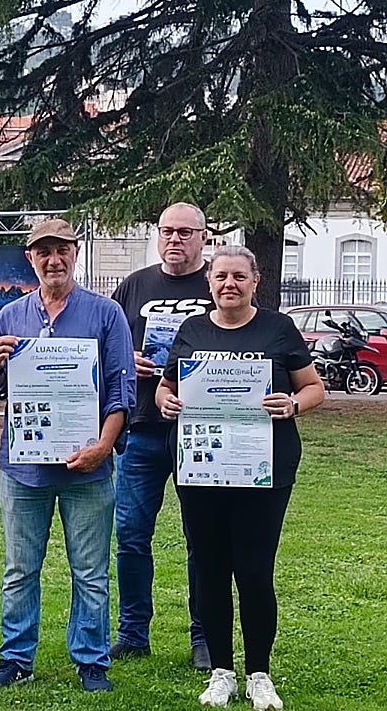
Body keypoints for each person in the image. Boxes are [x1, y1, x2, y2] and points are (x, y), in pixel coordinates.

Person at [156, 246, 324, 710]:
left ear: (254, 281)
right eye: (221, 277)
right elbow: (168, 386)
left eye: (238, 277)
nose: (229, 284)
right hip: (202, 468)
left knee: (254, 571)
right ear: (209, 283)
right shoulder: (191, 330)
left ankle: (259, 673)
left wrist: (292, 405)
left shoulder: (278, 328)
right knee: (208, 570)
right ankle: (221, 671)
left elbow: (314, 388)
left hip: (263, 469)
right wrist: (164, 401)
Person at [0, 217, 135, 694]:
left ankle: (91, 660)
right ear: (31, 259)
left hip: (88, 465)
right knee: (19, 568)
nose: (53, 259)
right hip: (24, 467)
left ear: (76, 253)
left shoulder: (105, 313)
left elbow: (121, 389)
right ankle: (16, 657)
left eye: (61, 250)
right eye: (42, 251)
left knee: (89, 570)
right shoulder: (11, 316)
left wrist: (104, 447)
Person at [110, 202, 213, 669]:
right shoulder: (135, 284)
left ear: (203, 238)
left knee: (205, 537)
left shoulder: (217, 284)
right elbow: (106, 345)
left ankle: (205, 636)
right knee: (131, 535)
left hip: (203, 432)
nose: (175, 239)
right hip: (141, 431)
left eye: (185, 233)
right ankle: (133, 633)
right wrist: (126, 361)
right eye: (167, 231)